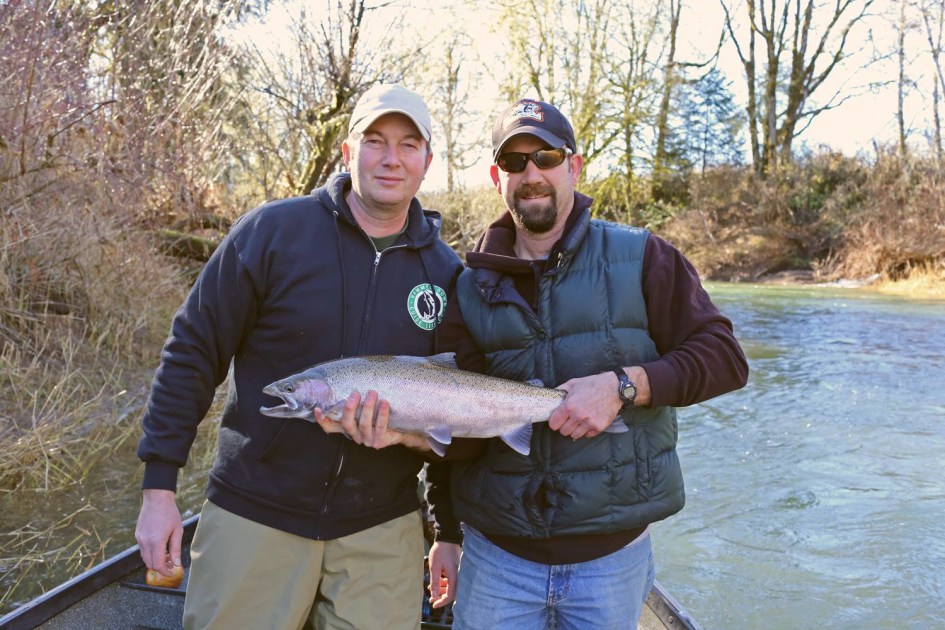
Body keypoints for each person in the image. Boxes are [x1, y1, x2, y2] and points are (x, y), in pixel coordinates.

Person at [134, 83, 463, 629]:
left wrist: (446, 530)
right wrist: (158, 489)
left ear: (427, 161)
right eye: (374, 139)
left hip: (381, 528)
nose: (390, 157)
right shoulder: (272, 233)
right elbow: (192, 351)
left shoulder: (449, 274)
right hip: (254, 512)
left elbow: (457, 412)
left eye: (409, 145)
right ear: (347, 151)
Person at [424, 99, 750, 628]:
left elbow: (725, 358)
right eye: (514, 162)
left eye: (546, 156)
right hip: (496, 561)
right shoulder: (464, 288)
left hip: (613, 564)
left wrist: (626, 385)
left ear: (574, 166)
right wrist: (445, 531)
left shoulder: (644, 257)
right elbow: (449, 427)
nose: (531, 174)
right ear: (495, 177)